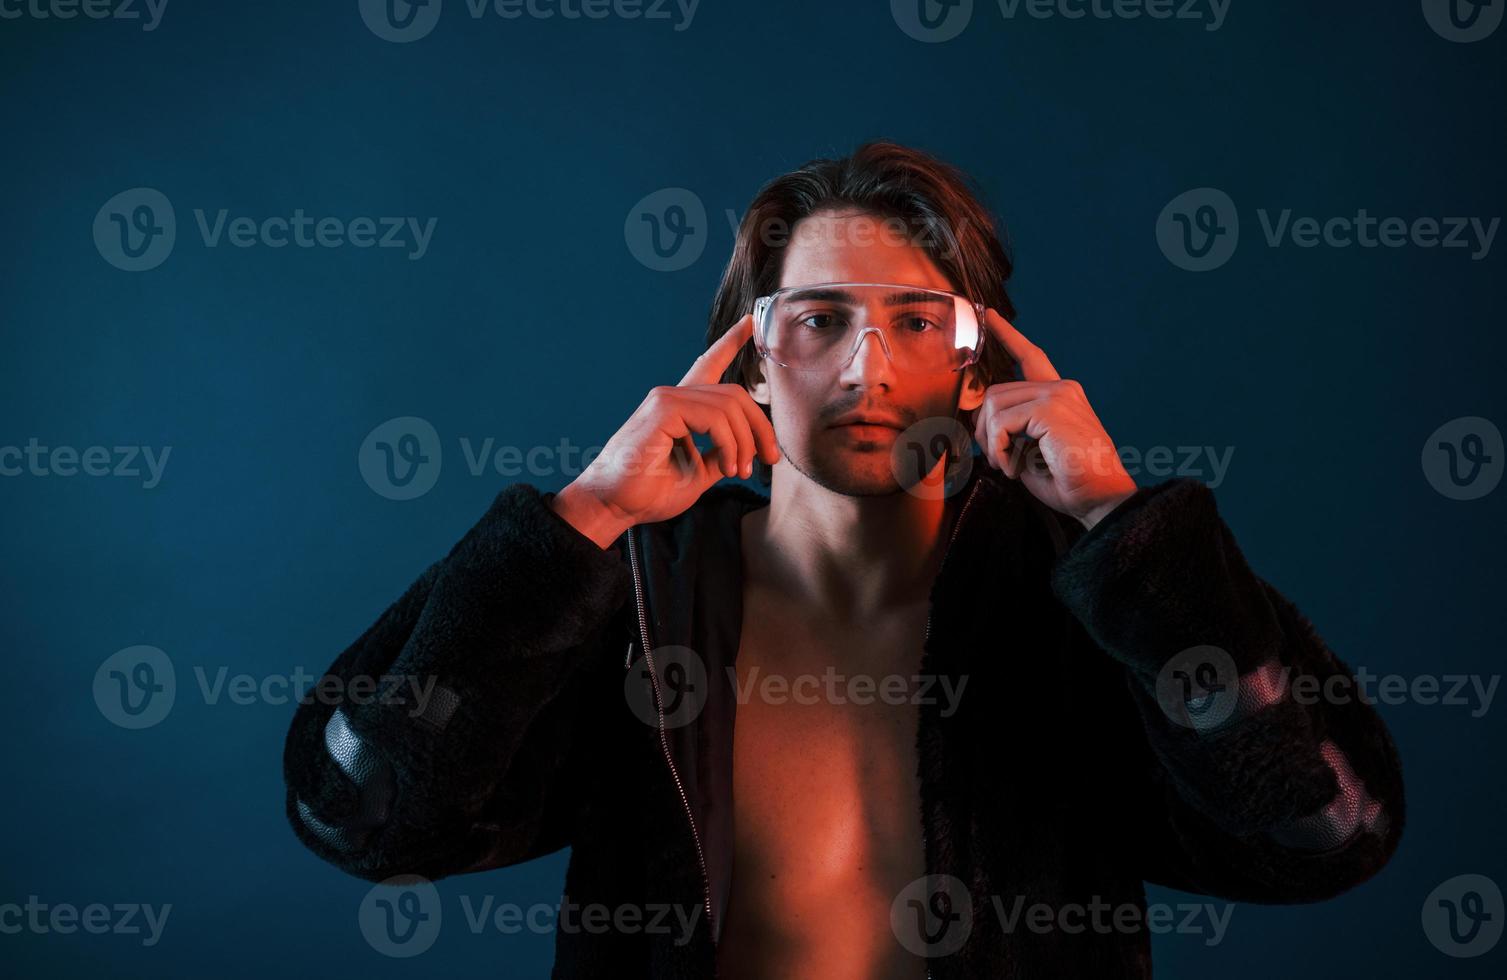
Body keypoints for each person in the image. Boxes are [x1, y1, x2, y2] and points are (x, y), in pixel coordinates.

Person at [282, 141, 1404, 978]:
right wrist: (581, 514)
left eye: (918, 322)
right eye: (819, 318)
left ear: (982, 365)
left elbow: (1323, 833)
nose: (869, 367)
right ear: (752, 359)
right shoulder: (635, 595)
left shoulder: (1080, 604)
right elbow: (358, 811)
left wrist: (1121, 523)